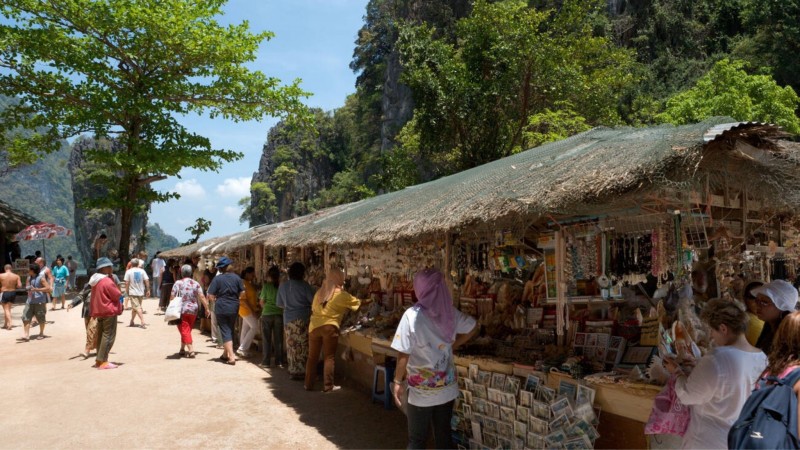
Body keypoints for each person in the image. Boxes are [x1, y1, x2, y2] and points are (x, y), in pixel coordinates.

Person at [391, 268, 478, 449]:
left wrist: (397, 381)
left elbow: (403, 353)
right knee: (443, 437)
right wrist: (453, 344)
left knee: (417, 440)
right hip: (447, 389)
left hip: (421, 392)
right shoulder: (450, 313)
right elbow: (473, 326)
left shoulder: (411, 316)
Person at [663, 298, 767, 449]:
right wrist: (699, 365)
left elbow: (688, 395)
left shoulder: (717, 358)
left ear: (723, 329)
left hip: (709, 440)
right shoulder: (762, 358)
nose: (711, 336)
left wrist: (677, 372)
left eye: (712, 330)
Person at [304, 268, 361, 392]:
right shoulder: (341, 294)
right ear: (339, 278)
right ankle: (328, 386)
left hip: (314, 327)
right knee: (329, 357)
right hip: (329, 327)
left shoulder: (319, 292)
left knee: (312, 357)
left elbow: (313, 309)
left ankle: (308, 384)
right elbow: (357, 304)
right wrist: (371, 299)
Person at [276, 262, 315, 380]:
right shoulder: (305, 286)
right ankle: (302, 371)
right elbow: (313, 301)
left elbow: (280, 304)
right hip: (303, 319)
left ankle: (293, 370)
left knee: (291, 345)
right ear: (302, 273)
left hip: (288, 319)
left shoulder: (283, 286)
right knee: (303, 345)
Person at [206, 257, 244, 365]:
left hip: (221, 306)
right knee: (229, 329)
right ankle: (224, 354)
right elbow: (242, 293)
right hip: (234, 306)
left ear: (221, 268)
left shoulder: (217, 279)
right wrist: (236, 298)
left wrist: (214, 301)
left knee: (225, 330)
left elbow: (210, 295)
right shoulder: (237, 278)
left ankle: (231, 357)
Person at [171, 264, 210, 358]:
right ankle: (182, 349)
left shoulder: (178, 283)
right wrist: (207, 308)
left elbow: (172, 297)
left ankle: (191, 350)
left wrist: (171, 307)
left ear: (181, 273)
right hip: (193, 310)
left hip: (181, 310)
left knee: (184, 330)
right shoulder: (195, 283)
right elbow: (201, 296)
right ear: (191, 273)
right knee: (187, 329)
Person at [91, 257, 123, 369]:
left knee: (101, 335)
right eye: (109, 266)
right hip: (109, 310)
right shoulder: (107, 281)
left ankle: (99, 360)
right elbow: (117, 294)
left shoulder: (95, 280)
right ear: (104, 268)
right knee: (108, 336)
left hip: (99, 310)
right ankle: (103, 361)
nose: (111, 268)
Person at [752, 279, 799, 354]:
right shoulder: (769, 325)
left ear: (782, 307)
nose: (757, 306)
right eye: (757, 301)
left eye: (764, 302)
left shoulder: (789, 335)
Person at [259, 266, 284, 367]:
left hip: (267, 314)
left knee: (266, 339)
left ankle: (266, 362)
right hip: (279, 314)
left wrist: (266, 308)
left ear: (269, 276)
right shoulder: (281, 287)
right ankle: (279, 361)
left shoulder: (266, 286)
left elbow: (261, 302)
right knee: (278, 340)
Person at [22, 264, 50, 341]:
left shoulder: (41, 278)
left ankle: (41, 333)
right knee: (25, 317)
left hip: (39, 302)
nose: (27, 270)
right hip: (29, 301)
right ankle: (26, 335)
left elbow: (48, 288)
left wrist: (36, 289)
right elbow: (28, 287)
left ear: (32, 270)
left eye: (29, 269)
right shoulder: (29, 278)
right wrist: (27, 289)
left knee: (41, 318)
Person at [236, 266, 260, 358]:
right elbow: (243, 299)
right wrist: (252, 311)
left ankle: (243, 350)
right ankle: (242, 348)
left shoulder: (247, 283)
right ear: (247, 274)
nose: (253, 277)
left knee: (245, 329)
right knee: (255, 327)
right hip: (246, 309)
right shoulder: (243, 283)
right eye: (252, 275)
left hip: (246, 309)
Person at [124, 259, 149, 328]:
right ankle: (132, 321)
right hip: (141, 292)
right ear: (138, 264)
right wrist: (148, 290)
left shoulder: (128, 271)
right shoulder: (142, 271)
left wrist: (126, 291)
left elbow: (126, 282)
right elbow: (146, 280)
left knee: (137, 307)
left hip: (133, 292)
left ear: (131, 264)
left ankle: (142, 322)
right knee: (135, 307)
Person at [742, 280, 765, 346]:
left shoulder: (761, 318)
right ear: (745, 299)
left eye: (764, 297)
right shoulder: (751, 322)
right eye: (753, 297)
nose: (758, 302)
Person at [0, 264, 21, 330]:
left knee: (6, 309)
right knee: (8, 309)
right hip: (13, 292)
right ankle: (5, 324)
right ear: (11, 268)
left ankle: (10, 323)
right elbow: (19, 286)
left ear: (5, 268)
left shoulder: (1, 275)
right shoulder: (16, 276)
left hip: (4, 292)